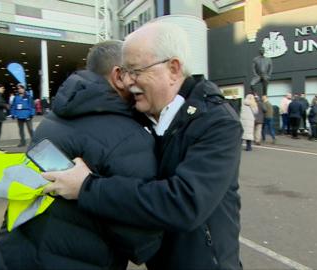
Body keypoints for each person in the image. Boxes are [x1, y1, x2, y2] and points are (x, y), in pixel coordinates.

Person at [42, 21, 243, 270]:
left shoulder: (217, 122)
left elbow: (185, 203)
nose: (127, 82)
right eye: (124, 72)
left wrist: (86, 187)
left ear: (173, 69)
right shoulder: (139, 114)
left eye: (135, 71)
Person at [0, 40, 162, 270]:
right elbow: (142, 242)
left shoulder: (54, 118)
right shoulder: (129, 138)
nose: (141, 80)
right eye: (137, 71)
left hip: (11, 255)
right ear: (119, 76)